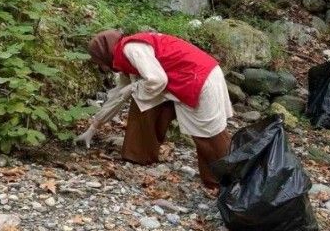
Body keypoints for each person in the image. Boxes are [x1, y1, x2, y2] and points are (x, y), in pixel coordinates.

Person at [76, 30, 233, 195]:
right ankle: (140, 154)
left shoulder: (131, 49)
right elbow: (118, 96)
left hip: (199, 78)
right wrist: (93, 127)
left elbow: (157, 80)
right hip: (188, 78)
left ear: (105, 53)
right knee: (142, 98)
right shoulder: (125, 59)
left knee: (209, 136)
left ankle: (234, 179)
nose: (101, 67)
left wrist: (133, 87)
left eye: (100, 62)